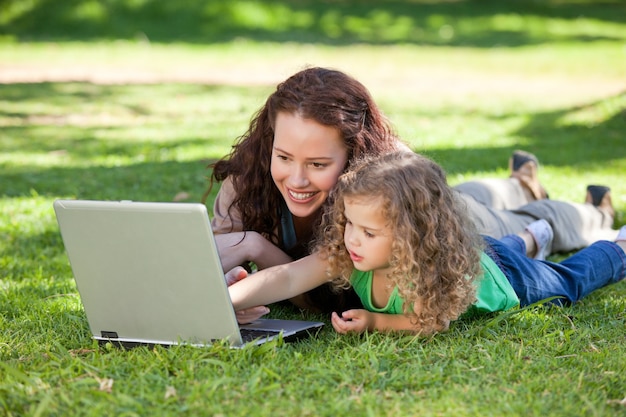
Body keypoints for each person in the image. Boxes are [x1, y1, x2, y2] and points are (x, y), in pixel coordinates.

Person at [205, 66, 619, 313]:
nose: (296, 180)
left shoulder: (392, 186)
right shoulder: (251, 177)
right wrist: (225, 286)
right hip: (450, 208)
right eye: (284, 157)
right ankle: (520, 183)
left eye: (317, 164)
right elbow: (260, 273)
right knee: (485, 198)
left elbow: (334, 295)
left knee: (497, 219)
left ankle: (594, 215)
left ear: (354, 157)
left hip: (458, 223)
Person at [228, 152, 626, 335]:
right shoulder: (350, 253)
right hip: (481, 253)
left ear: (409, 238)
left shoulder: (419, 273)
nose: (352, 238)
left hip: (508, 279)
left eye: (369, 233)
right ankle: (530, 237)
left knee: (569, 281)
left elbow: (428, 322)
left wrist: (376, 322)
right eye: (350, 223)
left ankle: (616, 249)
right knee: (499, 246)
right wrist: (226, 299)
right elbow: (285, 277)